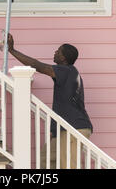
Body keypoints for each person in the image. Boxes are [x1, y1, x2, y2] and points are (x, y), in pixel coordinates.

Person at [7, 33, 93, 169]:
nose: (55, 52)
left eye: (58, 51)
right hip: (64, 127)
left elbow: (37, 65)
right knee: (47, 160)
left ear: (64, 57)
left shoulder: (67, 71)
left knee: (68, 166)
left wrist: (12, 50)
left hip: (74, 127)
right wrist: (55, 130)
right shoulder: (69, 73)